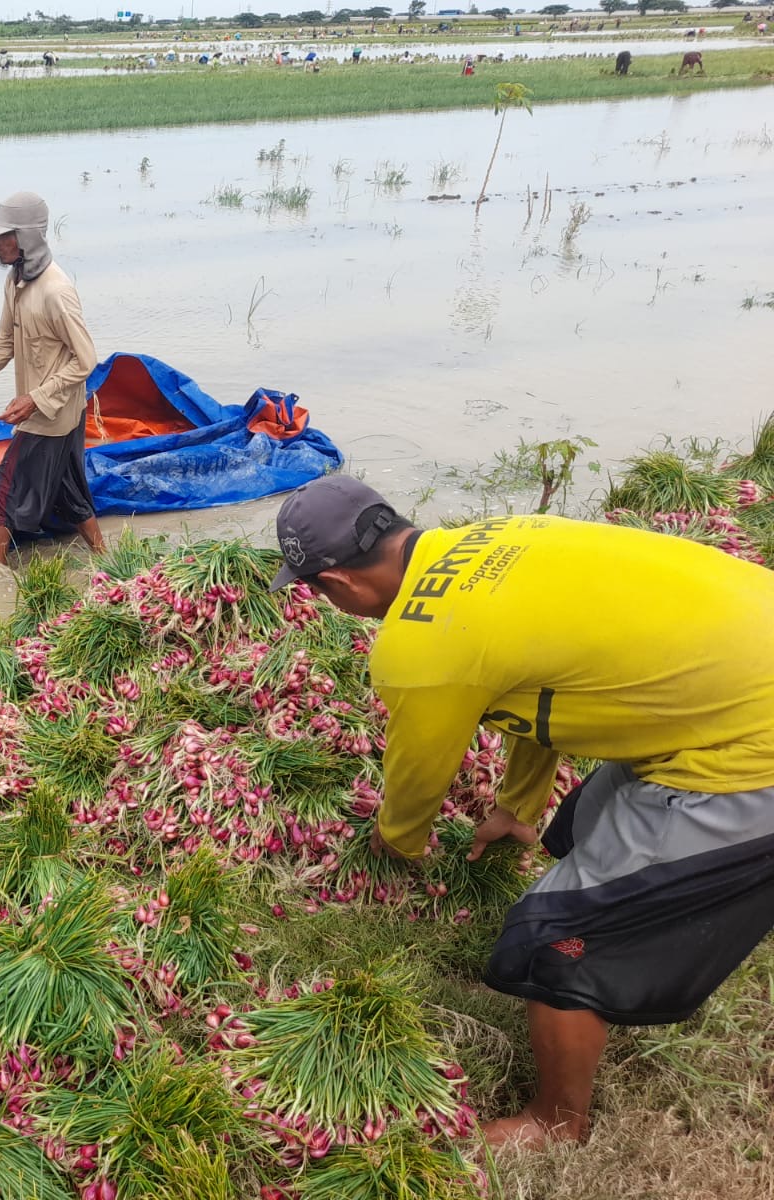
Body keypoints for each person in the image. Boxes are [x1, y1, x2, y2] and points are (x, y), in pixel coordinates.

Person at [269, 476, 774, 1150]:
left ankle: (557, 1122)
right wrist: (516, 807)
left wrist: (399, 841)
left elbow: (418, 774)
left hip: (747, 748)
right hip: (726, 682)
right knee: (576, 831)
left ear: (338, 584)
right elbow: (539, 693)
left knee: (556, 941)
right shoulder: (495, 537)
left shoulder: (418, 645)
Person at [0, 192, 106, 568]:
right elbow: (5, 341)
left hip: (49, 413)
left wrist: (35, 399)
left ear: (27, 237)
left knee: (3, 491)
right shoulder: (17, 282)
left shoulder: (55, 290)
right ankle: (107, 561)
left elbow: (86, 358)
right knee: (69, 489)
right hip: (54, 410)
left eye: (4, 236)